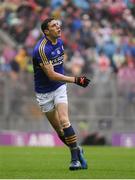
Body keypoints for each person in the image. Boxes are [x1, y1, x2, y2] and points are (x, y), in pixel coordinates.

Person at [32, 17, 90, 170]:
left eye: (58, 25)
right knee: (59, 130)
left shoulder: (59, 42)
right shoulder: (41, 49)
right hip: (44, 93)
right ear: (46, 31)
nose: (58, 27)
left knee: (65, 121)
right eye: (53, 25)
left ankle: (74, 160)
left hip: (59, 87)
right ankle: (77, 150)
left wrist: (68, 80)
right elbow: (51, 75)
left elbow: (58, 72)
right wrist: (76, 79)